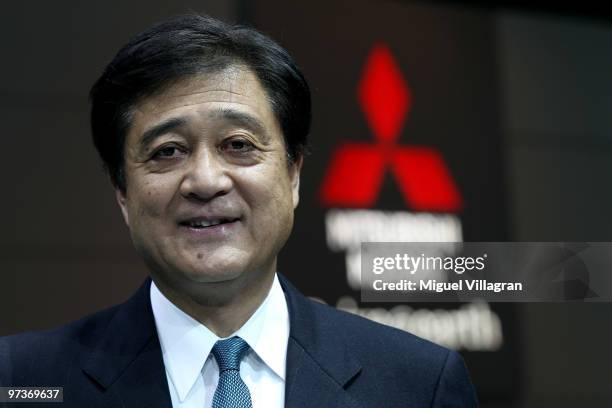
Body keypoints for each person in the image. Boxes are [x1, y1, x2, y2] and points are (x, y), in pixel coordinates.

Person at [0, 14, 478, 407]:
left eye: (238, 144)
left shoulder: (418, 384)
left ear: (293, 174)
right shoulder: (23, 381)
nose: (205, 181)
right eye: (167, 151)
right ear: (122, 193)